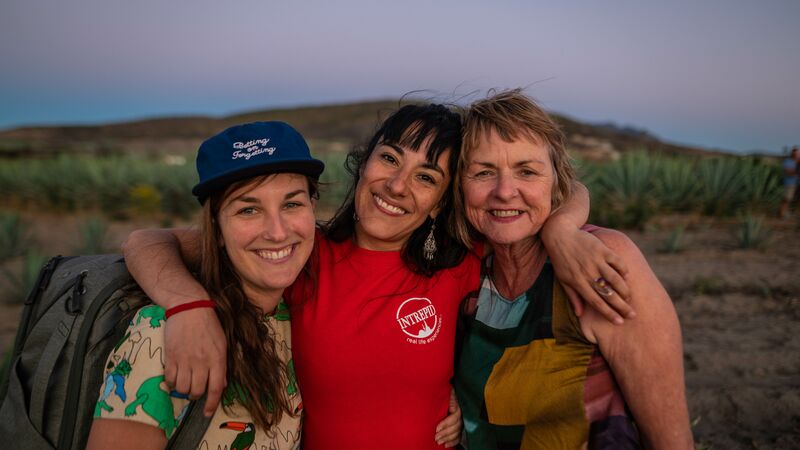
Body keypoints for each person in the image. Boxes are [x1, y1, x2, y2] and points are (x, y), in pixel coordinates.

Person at [122, 103, 634, 449]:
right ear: (363, 162)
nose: (397, 185)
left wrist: (562, 230)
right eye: (389, 158)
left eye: (426, 177)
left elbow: (561, 190)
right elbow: (146, 242)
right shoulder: (301, 251)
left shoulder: (459, 265)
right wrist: (188, 305)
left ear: (441, 203)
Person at [452, 89, 693, 449]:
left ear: (556, 181)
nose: (505, 191)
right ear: (458, 185)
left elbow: (670, 441)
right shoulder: (462, 270)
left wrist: (560, 229)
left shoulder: (601, 261)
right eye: (484, 172)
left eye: (527, 171)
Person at [87, 121, 324, 449]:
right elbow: (143, 240)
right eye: (248, 209)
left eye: (292, 204)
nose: (278, 232)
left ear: (313, 207)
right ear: (216, 227)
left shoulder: (301, 309)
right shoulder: (165, 334)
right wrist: (190, 306)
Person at [779, 146, 799, 218]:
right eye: (796, 153)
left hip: (797, 183)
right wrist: (796, 172)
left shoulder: (797, 161)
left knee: (795, 199)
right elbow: (786, 171)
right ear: (792, 153)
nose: (797, 155)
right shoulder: (787, 161)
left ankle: (791, 213)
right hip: (789, 183)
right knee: (787, 199)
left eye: (798, 153)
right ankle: (781, 214)